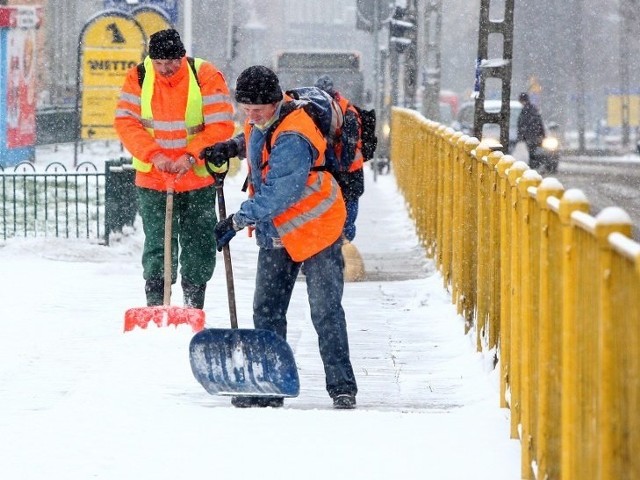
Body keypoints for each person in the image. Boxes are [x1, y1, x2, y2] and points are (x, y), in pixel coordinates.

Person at [201, 65, 358, 409]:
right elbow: (256, 139)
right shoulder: (263, 120)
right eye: (245, 109)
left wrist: (236, 220)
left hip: (317, 227)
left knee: (325, 311)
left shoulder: (295, 135)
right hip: (278, 231)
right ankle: (270, 383)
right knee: (267, 308)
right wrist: (231, 147)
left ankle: (342, 386)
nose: (251, 115)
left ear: (276, 102)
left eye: (258, 109)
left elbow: (280, 192)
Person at [114, 29, 234, 309]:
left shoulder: (204, 74)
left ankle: (193, 304)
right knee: (158, 243)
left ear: (182, 56)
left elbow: (221, 124)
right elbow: (126, 122)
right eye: (159, 63)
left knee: (199, 244)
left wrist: (192, 156)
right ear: (150, 60)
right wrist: (154, 155)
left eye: (172, 62)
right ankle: (156, 304)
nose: (166, 69)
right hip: (154, 178)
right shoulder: (139, 77)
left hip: (197, 179)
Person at [314, 74, 365, 243]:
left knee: (347, 215)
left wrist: (341, 168)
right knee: (338, 214)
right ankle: (339, 247)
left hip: (348, 172)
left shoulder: (346, 112)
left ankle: (343, 247)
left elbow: (349, 145)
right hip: (337, 171)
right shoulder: (329, 109)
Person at [516, 92, 546, 169]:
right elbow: (539, 122)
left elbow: (522, 123)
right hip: (534, 134)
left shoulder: (526, 110)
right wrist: (542, 134)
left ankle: (534, 166)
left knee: (532, 151)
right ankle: (535, 165)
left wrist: (521, 135)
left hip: (530, 135)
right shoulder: (532, 109)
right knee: (534, 151)